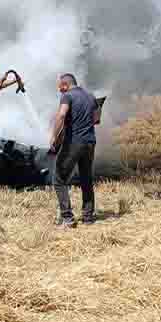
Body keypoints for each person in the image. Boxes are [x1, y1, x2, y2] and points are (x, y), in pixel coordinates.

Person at [48, 73, 101, 227]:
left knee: (59, 179)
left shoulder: (68, 96)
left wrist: (54, 137)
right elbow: (97, 118)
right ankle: (88, 217)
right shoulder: (90, 96)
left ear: (65, 84)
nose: (60, 91)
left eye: (60, 88)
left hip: (74, 143)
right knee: (86, 178)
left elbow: (61, 115)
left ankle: (67, 218)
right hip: (90, 142)